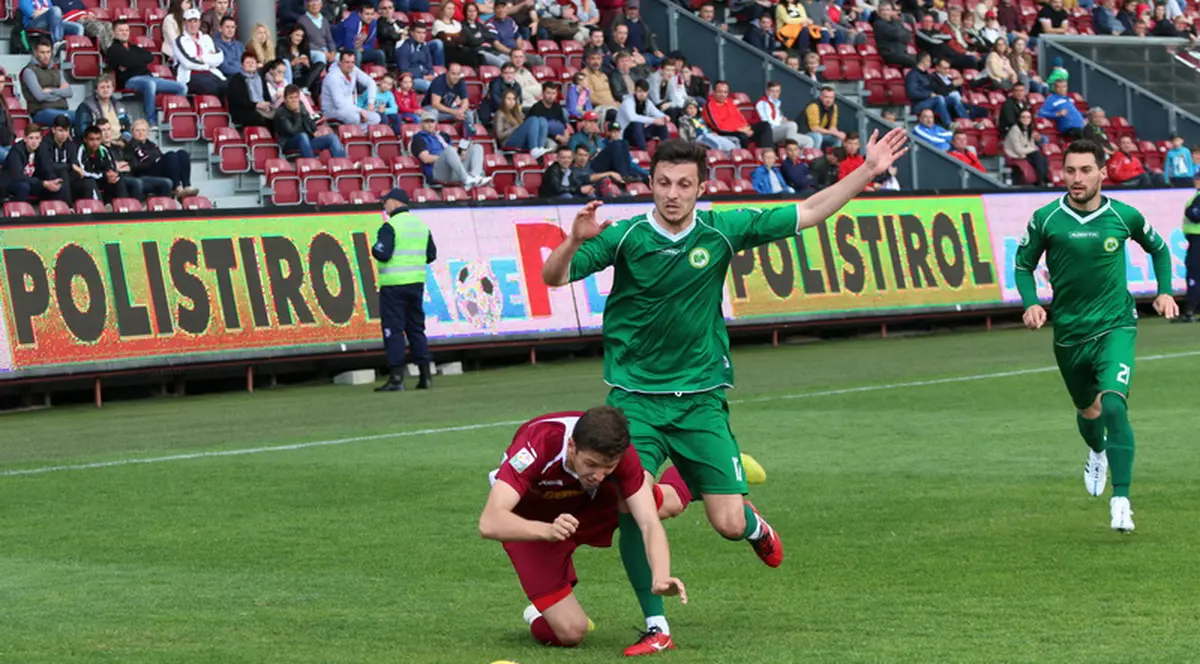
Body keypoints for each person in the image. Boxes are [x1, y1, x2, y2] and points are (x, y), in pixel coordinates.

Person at [539, 130, 909, 655]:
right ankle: (656, 625)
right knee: (632, 503)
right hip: (635, 401)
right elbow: (553, 277)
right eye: (663, 182)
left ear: (700, 187)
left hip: (701, 401)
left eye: (684, 184)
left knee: (728, 523)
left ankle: (753, 524)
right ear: (650, 183)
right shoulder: (622, 237)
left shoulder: (721, 230)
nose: (672, 193)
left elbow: (808, 212)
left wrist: (868, 170)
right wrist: (575, 240)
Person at [1014, 139, 1178, 534]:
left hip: (1116, 325)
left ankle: (1121, 499)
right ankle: (1097, 450)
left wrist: (1165, 289)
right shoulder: (1046, 218)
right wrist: (1031, 301)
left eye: (1086, 170)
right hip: (1070, 333)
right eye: (1070, 170)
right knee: (1088, 411)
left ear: (1102, 173)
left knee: (1114, 407)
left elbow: (1159, 249)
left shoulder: (1124, 216)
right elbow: (1023, 265)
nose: (1076, 178)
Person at [479, 407, 688, 649]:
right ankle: (539, 614)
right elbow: (490, 522)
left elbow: (649, 523)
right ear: (571, 446)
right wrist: (546, 531)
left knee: (663, 503)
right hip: (534, 521)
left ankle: (697, 478)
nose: (598, 475)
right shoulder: (538, 444)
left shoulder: (617, 453)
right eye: (591, 464)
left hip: (592, 504)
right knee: (571, 632)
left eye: (608, 467)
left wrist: (661, 575)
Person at [372, 188, 437, 392]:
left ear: (396, 203)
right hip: (416, 284)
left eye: (386, 201)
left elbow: (383, 254)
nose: (384, 205)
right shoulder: (421, 226)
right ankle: (425, 376)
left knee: (394, 330)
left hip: (393, 285)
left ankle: (396, 379)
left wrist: (374, 248)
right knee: (416, 329)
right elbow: (431, 255)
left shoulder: (390, 226)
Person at [1179, 178, 1200, 322]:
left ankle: (1189, 311)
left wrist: (1188, 211)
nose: (1196, 181)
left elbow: (1195, 216)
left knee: (1194, 274)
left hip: (1198, 239)